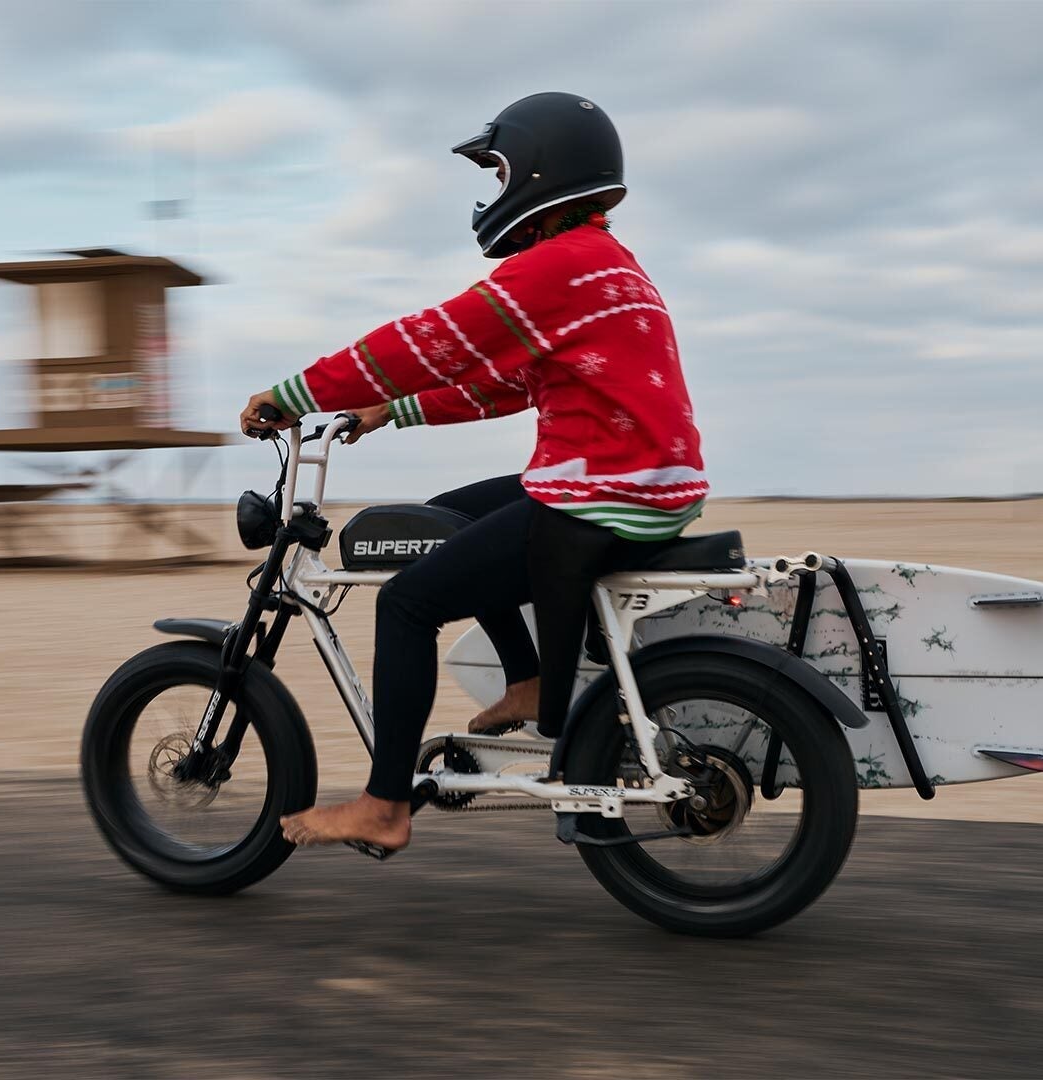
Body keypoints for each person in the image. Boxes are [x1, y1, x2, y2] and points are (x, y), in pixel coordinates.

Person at [242, 92, 708, 856]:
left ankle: (384, 803)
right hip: (639, 484)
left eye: (496, 175)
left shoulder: (554, 268)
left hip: (598, 492)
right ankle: (525, 682)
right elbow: (509, 384)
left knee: (406, 605)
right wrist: (392, 410)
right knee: (443, 516)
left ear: (536, 173)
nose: (492, 195)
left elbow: (426, 340)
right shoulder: (609, 265)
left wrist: (296, 393)